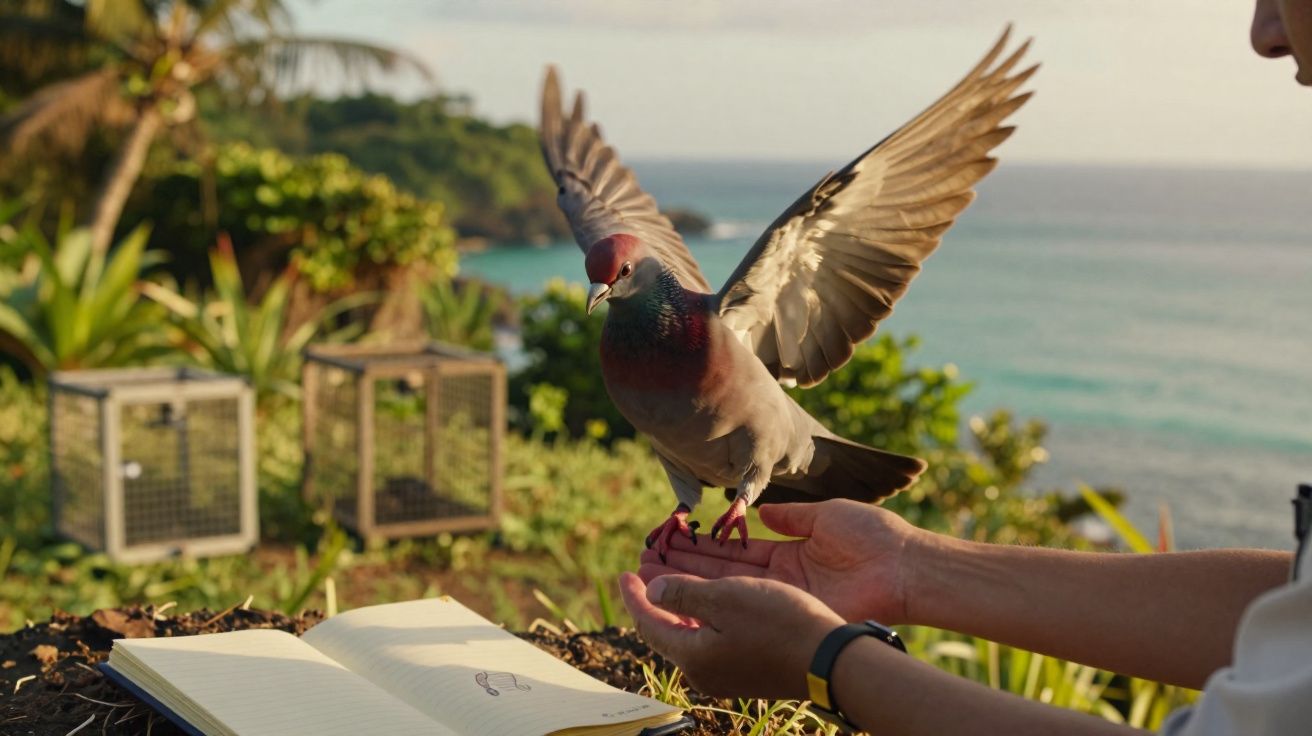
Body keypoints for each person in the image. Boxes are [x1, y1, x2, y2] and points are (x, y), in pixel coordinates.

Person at [618, 2, 1312, 733]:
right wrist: (909, 567)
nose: (1261, 33)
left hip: (777, 450)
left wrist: (828, 664)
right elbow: (1296, 610)